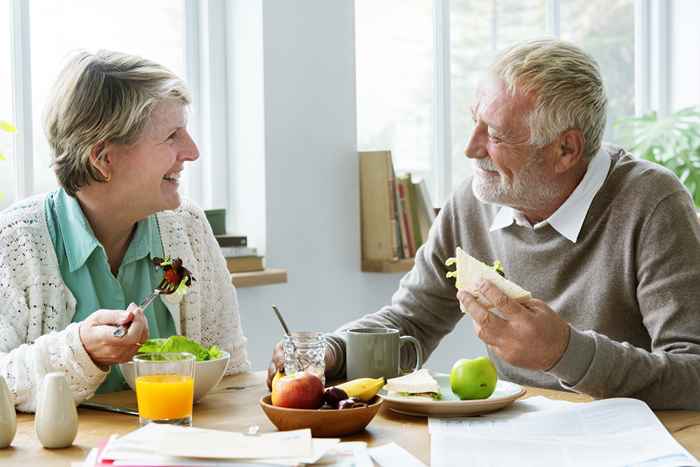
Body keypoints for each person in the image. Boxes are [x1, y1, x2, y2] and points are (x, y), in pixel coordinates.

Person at [268, 39, 700, 410]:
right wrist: (331, 351)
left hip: (636, 444)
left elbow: (693, 373)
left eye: (494, 134)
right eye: (474, 121)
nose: (470, 148)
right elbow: (411, 320)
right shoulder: (475, 201)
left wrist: (565, 353)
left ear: (566, 149)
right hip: (513, 434)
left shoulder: (652, 203)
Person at [0, 50, 250, 412]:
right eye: (171, 136)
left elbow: (231, 376)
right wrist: (82, 350)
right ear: (103, 159)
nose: (192, 151)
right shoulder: (15, 242)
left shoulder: (188, 228)